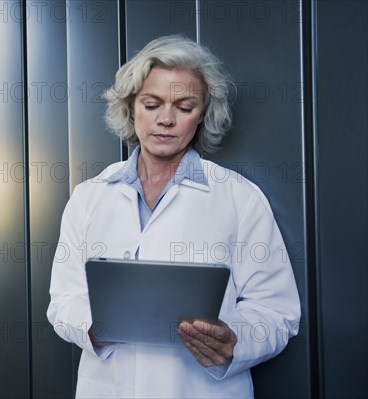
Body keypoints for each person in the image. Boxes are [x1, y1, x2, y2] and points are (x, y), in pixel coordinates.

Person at [47, 35, 301, 398]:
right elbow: (63, 300)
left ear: (202, 115)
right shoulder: (89, 196)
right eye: (152, 104)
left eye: (184, 107)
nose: (166, 120)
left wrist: (234, 341)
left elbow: (278, 312)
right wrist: (92, 326)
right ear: (130, 107)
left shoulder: (238, 197)